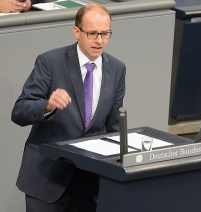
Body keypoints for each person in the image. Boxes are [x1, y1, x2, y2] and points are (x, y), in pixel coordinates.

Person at [11, 3, 126, 211]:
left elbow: (113, 127)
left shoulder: (117, 69)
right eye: (92, 33)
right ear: (77, 32)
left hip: (89, 182)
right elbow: (20, 111)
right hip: (47, 178)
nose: (99, 41)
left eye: (105, 33)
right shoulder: (50, 62)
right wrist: (47, 106)